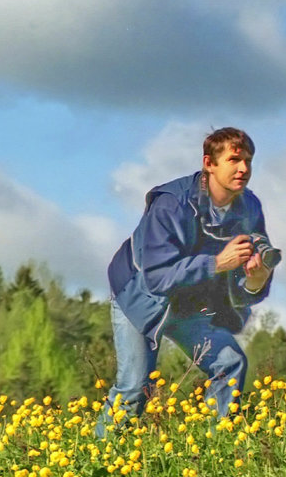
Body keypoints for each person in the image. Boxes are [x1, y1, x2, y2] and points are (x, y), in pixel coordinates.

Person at [96, 127, 275, 438]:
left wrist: (255, 282)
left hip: (191, 301)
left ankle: (210, 451)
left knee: (230, 366)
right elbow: (157, 277)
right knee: (135, 389)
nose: (244, 169)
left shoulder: (250, 207)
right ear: (209, 163)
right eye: (234, 160)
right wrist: (218, 262)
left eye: (248, 161)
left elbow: (242, 285)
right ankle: (98, 459)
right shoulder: (171, 204)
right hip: (139, 296)